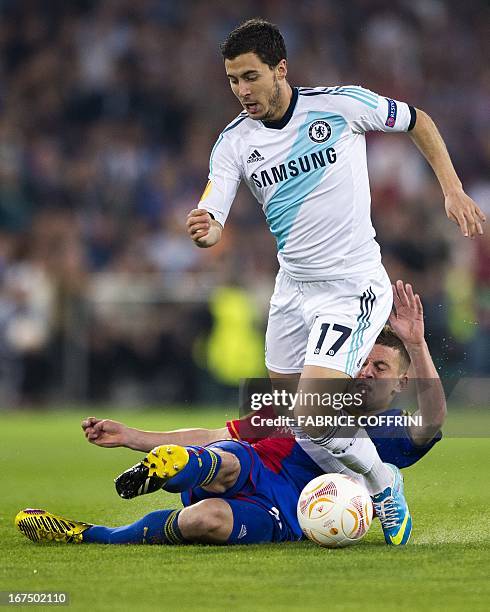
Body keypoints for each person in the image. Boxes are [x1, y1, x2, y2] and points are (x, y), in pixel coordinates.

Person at [185, 18, 481, 541]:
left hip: (351, 286)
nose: (241, 91)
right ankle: (351, 491)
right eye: (232, 80)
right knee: (293, 420)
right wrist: (207, 231)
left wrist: (452, 189)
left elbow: (418, 120)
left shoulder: (339, 106)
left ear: (280, 69)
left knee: (312, 409)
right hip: (291, 291)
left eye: (250, 77)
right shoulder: (233, 142)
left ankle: (382, 482)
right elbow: (214, 211)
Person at [16, 283, 445, 547]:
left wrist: (419, 346)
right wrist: (131, 435)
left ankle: (90, 534)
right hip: (254, 464)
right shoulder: (298, 397)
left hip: (291, 510)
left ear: (401, 384)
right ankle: (177, 465)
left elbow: (433, 422)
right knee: (228, 459)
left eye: (381, 367)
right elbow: (214, 431)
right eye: (363, 361)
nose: (367, 371)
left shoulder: (388, 430)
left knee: (207, 520)